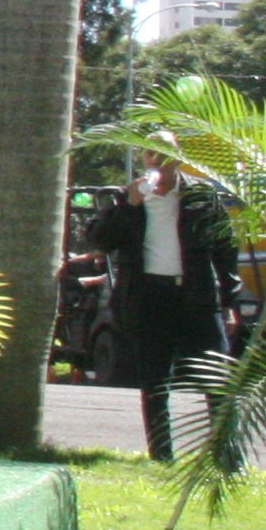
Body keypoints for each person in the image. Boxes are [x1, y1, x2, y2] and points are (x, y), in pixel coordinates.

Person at [86, 160, 240, 461]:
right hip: (149, 297)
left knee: (218, 377)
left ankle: (227, 458)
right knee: (155, 381)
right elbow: (101, 241)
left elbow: (226, 250)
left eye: (163, 157)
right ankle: (162, 456)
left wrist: (229, 303)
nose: (157, 164)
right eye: (151, 158)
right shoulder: (127, 197)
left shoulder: (201, 196)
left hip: (197, 295)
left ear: (177, 159)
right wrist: (130, 206)